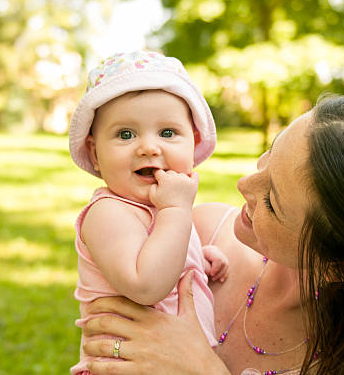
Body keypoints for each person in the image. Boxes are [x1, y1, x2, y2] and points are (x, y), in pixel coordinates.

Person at [80, 94, 344, 375]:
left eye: (272, 200)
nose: (243, 184)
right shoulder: (197, 231)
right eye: (268, 156)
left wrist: (202, 369)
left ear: (343, 269)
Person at [68, 50, 230, 375]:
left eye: (167, 133)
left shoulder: (160, 214)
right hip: (127, 365)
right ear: (94, 153)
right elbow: (146, 285)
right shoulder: (107, 214)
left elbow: (160, 253)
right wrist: (176, 211)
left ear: (193, 142)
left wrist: (195, 256)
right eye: (125, 134)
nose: (148, 147)